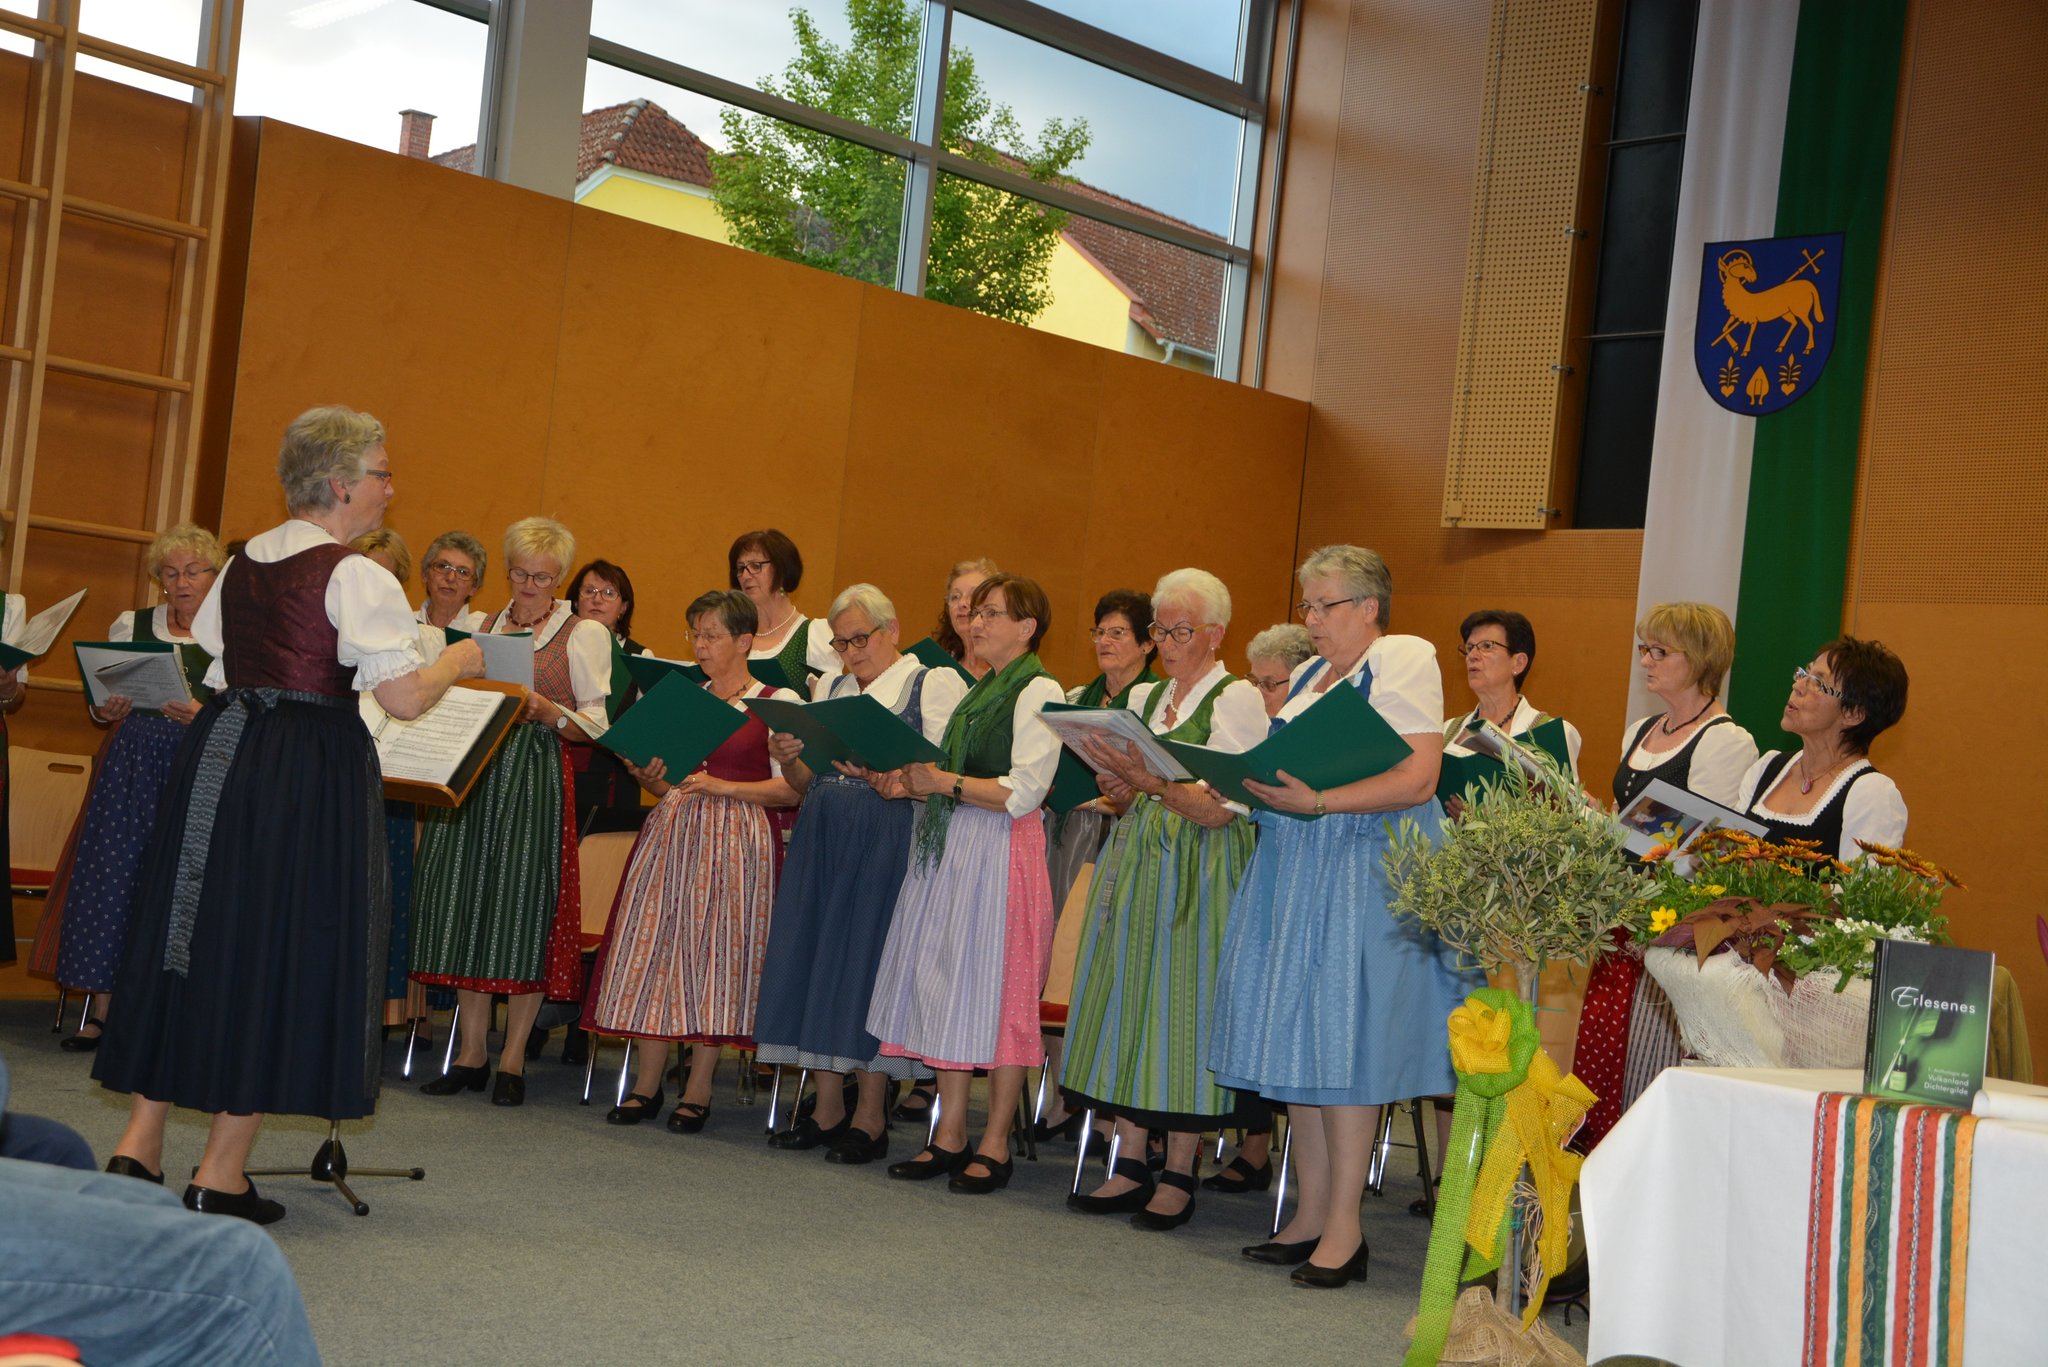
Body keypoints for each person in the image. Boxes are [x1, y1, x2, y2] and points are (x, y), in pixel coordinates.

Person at [94, 405, 483, 1223]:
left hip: (223, 750)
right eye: (382, 473)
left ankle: (139, 1144)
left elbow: (221, 663)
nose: (390, 488)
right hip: (304, 766)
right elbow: (401, 697)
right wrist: (457, 658)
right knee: (276, 946)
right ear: (341, 483)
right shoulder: (358, 575)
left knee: (191, 932)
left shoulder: (241, 564)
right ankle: (220, 1172)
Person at [1208, 545, 1481, 1287]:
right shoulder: (1305, 677)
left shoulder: (1403, 656)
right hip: (1298, 864)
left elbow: (1418, 777)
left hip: (1366, 865)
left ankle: (1346, 1229)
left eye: (1325, 605)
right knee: (1299, 1038)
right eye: (1306, 604)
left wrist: (1321, 800)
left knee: (1347, 1040)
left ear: (1369, 607)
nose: (1312, 619)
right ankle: (1309, 1211)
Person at [1060, 569, 1264, 1230]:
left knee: (1183, 1010)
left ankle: (1180, 1169)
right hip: (1140, 862)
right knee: (1130, 1001)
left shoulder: (1237, 700)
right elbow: (1134, 796)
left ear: (1215, 634)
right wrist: (1121, 784)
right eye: (1161, 630)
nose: (1168, 643)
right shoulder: (1147, 697)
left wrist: (1149, 783)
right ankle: (1129, 1158)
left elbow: (1224, 810)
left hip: (1201, 873)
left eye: (1181, 631)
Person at [753, 584, 967, 1163]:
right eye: (841, 644)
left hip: (887, 836)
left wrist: (890, 768)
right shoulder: (831, 688)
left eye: (859, 639)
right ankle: (827, 1108)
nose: (850, 652)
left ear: (891, 630)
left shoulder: (929, 682)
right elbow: (806, 782)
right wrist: (790, 757)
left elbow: (945, 770)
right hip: (824, 832)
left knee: (867, 967)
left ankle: (870, 1116)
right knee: (819, 960)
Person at [867, 573, 1063, 1194]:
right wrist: (907, 785)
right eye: (974, 613)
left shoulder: (1040, 689)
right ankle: (949, 1133)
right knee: (948, 984)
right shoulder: (982, 689)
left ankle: (996, 1141)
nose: (976, 624)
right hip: (956, 844)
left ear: (1027, 627)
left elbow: (1024, 792)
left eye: (992, 614)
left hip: (1002, 850)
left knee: (1002, 994)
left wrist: (941, 783)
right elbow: (952, 779)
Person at [410, 516, 611, 1107]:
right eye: (520, 573)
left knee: (525, 909)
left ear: (560, 579)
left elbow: (597, 726)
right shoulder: (481, 625)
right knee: (470, 905)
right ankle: (471, 1053)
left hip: (535, 774)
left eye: (542, 577)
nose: (529, 585)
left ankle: (514, 1057)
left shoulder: (582, 633)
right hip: (477, 770)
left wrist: (548, 712)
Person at [584, 590, 801, 1133]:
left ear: (744, 641)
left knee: (717, 958)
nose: (700, 646)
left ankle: (699, 1087)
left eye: (711, 636)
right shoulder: (686, 697)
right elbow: (667, 784)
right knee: (657, 950)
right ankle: (646, 1084)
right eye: (696, 635)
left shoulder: (776, 701)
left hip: (738, 840)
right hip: (674, 834)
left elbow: (793, 791)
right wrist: (647, 774)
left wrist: (724, 786)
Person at [43, 525, 221, 1052]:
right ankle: (103, 1013)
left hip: (198, 763)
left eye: (193, 572)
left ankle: (172, 1016)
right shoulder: (133, 624)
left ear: (214, 577)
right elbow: (101, 703)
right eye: (171, 573)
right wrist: (106, 708)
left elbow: (247, 710)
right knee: (112, 877)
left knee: (188, 883)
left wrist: (206, 717)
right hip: (132, 760)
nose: (181, 583)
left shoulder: (232, 635)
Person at [1037, 587, 1155, 1141]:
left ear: (1147, 644)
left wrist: (1101, 799)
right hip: (1064, 838)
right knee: (1055, 970)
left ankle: (1107, 1110)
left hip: (1115, 839)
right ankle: (1063, 1095)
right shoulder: (1075, 698)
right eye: (1099, 632)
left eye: (1118, 633)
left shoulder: (1152, 703)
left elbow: (1156, 785)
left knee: (1098, 969)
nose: (1105, 641)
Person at [1201, 622, 1314, 1197]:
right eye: (1258, 682)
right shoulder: (1268, 726)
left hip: (1304, 881)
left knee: (1289, 1010)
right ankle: (1252, 1139)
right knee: (1251, 1000)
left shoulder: (1313, 728)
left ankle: (1263, 1148)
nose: (1264, 694)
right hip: (1265, 869)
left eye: (1274, 683)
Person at [895, 556, 998, 1127]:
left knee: (956, 952)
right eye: (957, 596)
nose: (965, 607)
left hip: (977, 823)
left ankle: (943, 1075)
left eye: (978, 599)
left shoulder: (1008, 681)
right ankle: (918, 1067)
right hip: (919, 817)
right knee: (921, 949)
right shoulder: (923, 669)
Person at [1733, 637, 1908, 860]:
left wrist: (1769, 876)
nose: (1797, 686)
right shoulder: (1768, 768)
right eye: (1804, 674)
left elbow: (1861, 883)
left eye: (1817, 682)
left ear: (1853, 714)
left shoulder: (1872, 794)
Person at [1614, 602, 1758, 810]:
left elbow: (1704, 828)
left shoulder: (1725, 742)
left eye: (1659, 651)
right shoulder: (1641, 729)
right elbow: (1618, 815)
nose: (1645, 661)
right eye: (1645, 649)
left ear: (1699, 658)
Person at [1442, 609, 1583, 791]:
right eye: (1469, 648)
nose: (1472, 656)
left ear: (1518, 663)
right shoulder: (1447, 730)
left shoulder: (1553, 734)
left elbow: (1567, 807)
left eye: (1487, 646)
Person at [564, 558, 647, 827]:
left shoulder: (639, 657)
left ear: (624, 607)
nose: (597, 599)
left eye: (609, 593)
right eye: (589, 591)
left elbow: (645, 732)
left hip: (613, 780)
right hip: (555, 772)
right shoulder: (555, 648)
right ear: (575, 601)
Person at [729, 529, 839, 690]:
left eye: (755, 566)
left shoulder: (814, 634)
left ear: (782, 569)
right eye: (741, 568)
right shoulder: (732, 637)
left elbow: (826, 702)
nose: (745, 576)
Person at [415, 530, 488, 661]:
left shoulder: (484, 631)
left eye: (463, 572)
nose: (450, 578)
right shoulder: (403, 625)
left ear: (474, 587)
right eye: (443, 566)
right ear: (425, 574)